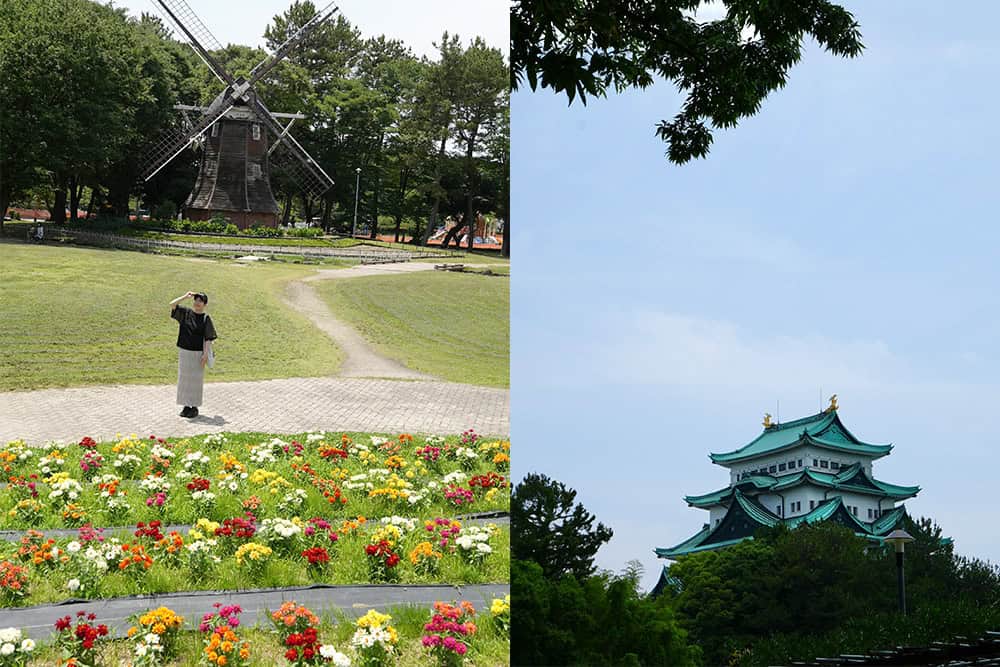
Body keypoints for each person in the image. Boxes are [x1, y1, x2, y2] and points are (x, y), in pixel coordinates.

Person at [168, 291, 218, 418]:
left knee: (195, 381)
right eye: (196, 300)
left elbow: (208, 339)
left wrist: (205, 355)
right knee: (184, 380)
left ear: (205, 304)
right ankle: (186, 406)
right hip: (184, 352)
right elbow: (172, 304)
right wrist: (185, 296)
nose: (197, 302)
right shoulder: (185, 314)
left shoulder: (206, 318)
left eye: (200, 301)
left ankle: (194, 407)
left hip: (197, 354)